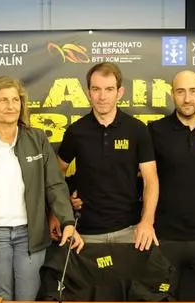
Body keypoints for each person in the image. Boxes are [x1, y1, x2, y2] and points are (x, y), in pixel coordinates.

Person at [0, 76, 82, 301]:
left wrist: (67, 221)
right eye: (3, 100)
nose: (10, 106)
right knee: (0, 300)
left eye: (15, 100)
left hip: (30, 235)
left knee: (27, 300)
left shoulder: (37, 138)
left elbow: (55, 184)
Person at [56, 62, 159, 250]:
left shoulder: (137, 130)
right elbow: (56, 175)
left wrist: (147, 221)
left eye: (109, 89)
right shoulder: (76, 131)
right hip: (86, 233)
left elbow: (150, 181)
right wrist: (66, 198)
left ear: (119, 92)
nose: (102, 97)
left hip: (130, 231)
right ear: (88, 92)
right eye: (96, 89)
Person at [148, 70, 195, 300]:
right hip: (165, 236)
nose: (187, 98)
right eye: (181, 91)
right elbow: (141, 178)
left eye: (193, 91)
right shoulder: (155, 131)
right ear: (172, 94)